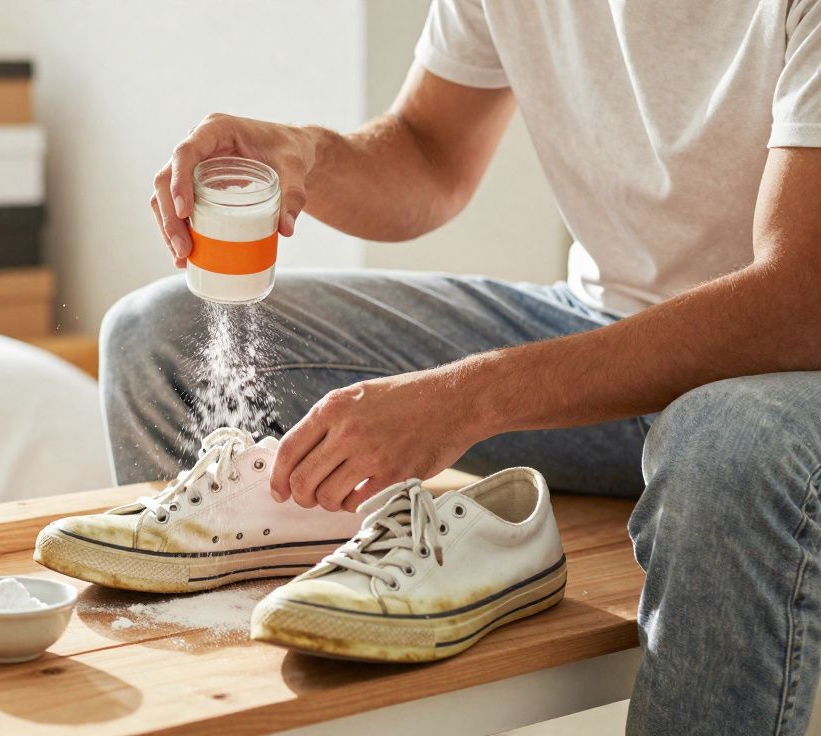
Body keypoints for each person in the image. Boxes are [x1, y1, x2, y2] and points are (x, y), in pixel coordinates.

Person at [100, 2, 821, 734]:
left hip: (789, 373)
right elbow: (427, 155)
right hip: (606, 320)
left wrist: (468, 399)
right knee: (159, 337)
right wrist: (305, 152)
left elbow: (801, 301)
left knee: (723, 447)